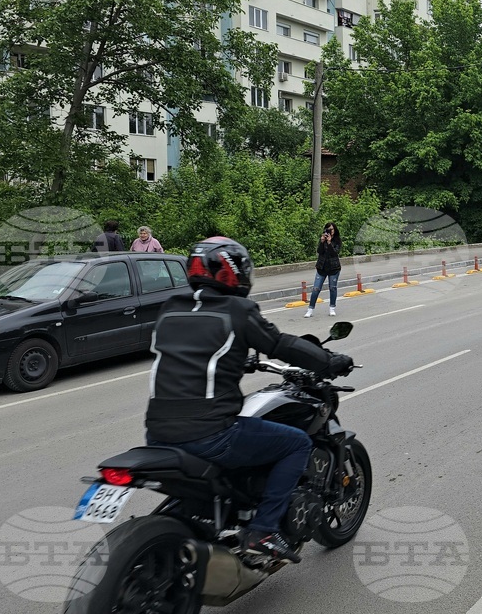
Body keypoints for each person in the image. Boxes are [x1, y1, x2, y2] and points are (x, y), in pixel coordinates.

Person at [145, 236, 354, 564]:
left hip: (156, 433)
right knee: (296, 444)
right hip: (210, 434)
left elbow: (193, 351)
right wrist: (329, 362)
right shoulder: (237, 310)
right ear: (233, 272)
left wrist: (236, 359)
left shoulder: (171, 308)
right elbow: (280, 344)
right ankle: (263, 532)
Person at [306, 222, 342, 318]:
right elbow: (319, 251)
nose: (330, 231)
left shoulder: (337, 240)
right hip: (322, 267)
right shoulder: (323, 239)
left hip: (334, 268)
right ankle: (310, 309)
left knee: (332, 288)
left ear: (335, 230)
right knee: (316, 288)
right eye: (328, 229)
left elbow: (335, 253)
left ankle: (332, 308)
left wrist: (329, 243)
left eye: (332, 229)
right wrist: (322, 242)